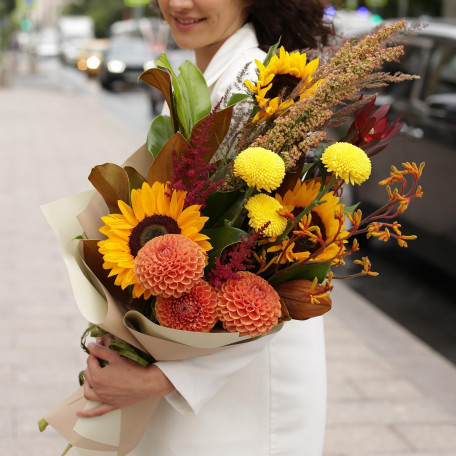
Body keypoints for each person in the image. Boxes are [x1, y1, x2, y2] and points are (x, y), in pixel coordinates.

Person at [79, 1, 333, 454]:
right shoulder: (214, 74)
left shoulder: (261, 84)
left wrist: (162, 376)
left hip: (243, 389)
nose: (179, 3)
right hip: (205, 367)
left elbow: (278, 269)